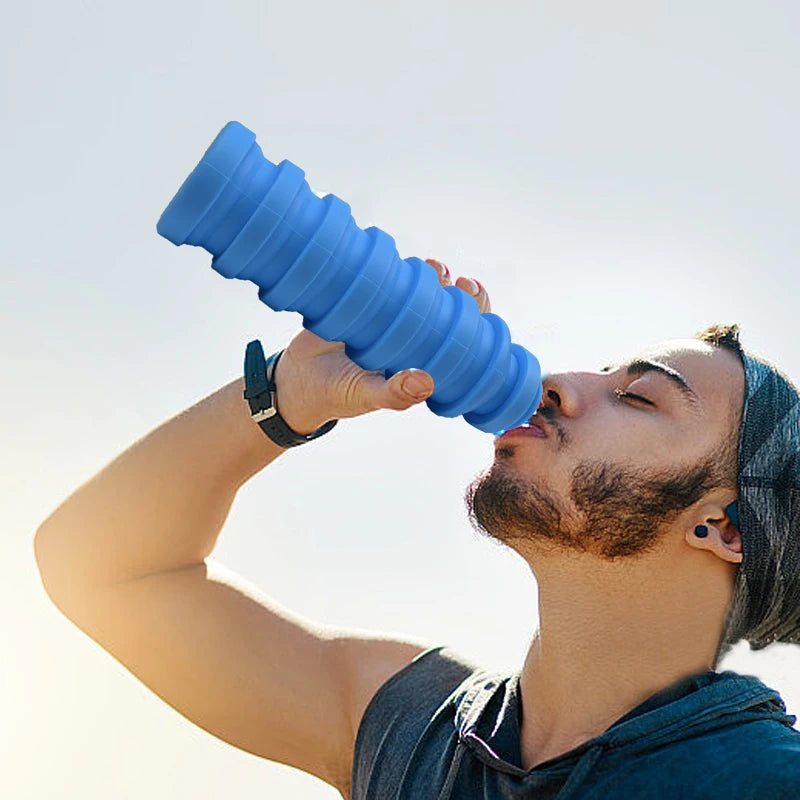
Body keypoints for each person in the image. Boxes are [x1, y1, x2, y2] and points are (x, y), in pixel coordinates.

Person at [34, 259, 800, 798]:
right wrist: (287, 397)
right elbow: (98, 567)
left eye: (638, 398)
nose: (558, 382)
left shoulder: (763, 782)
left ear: (724, 527)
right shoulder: (414, 728)